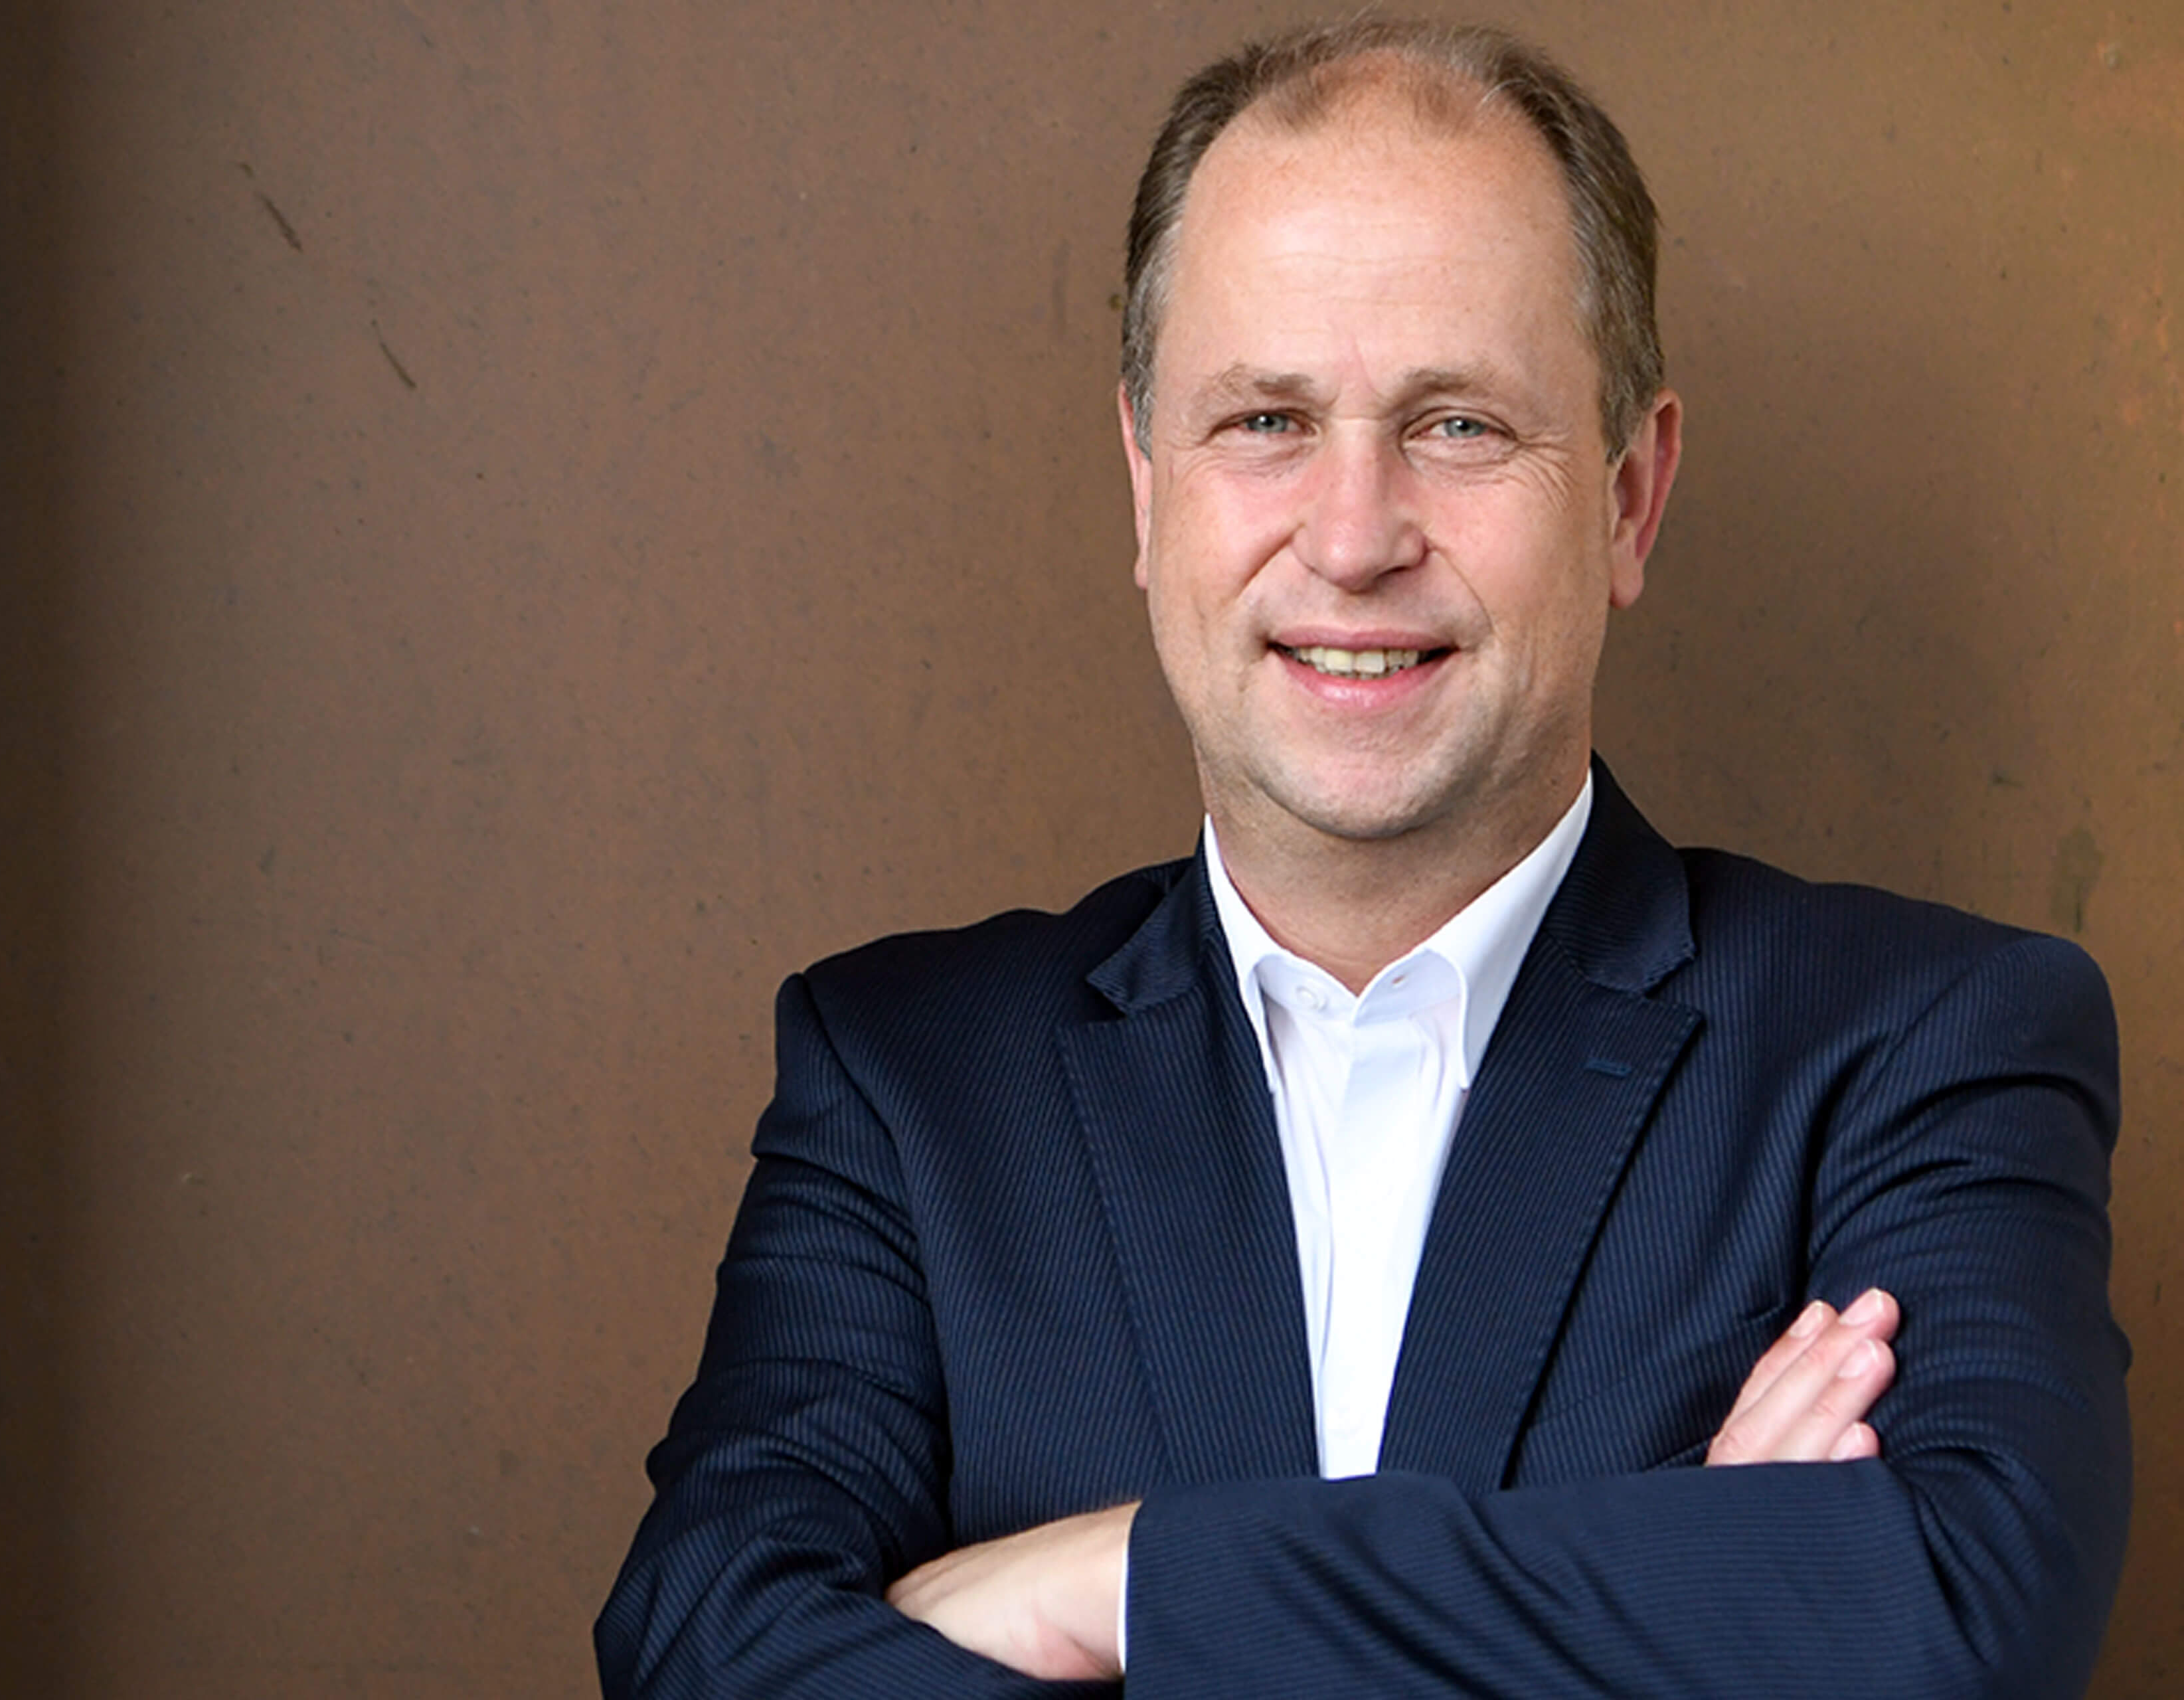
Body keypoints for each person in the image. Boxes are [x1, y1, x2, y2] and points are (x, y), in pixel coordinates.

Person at [595, 17, 2129, 1697]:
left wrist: (1121, 1580)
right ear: (1146, 486)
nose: (1351, 535)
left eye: (1457, 424)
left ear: (1630, 495)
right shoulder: (906, 1080)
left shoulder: (1922, 1041)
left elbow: (1956, 1613)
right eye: (1265, 419)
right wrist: (1670, 1581)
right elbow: (707, 1647)